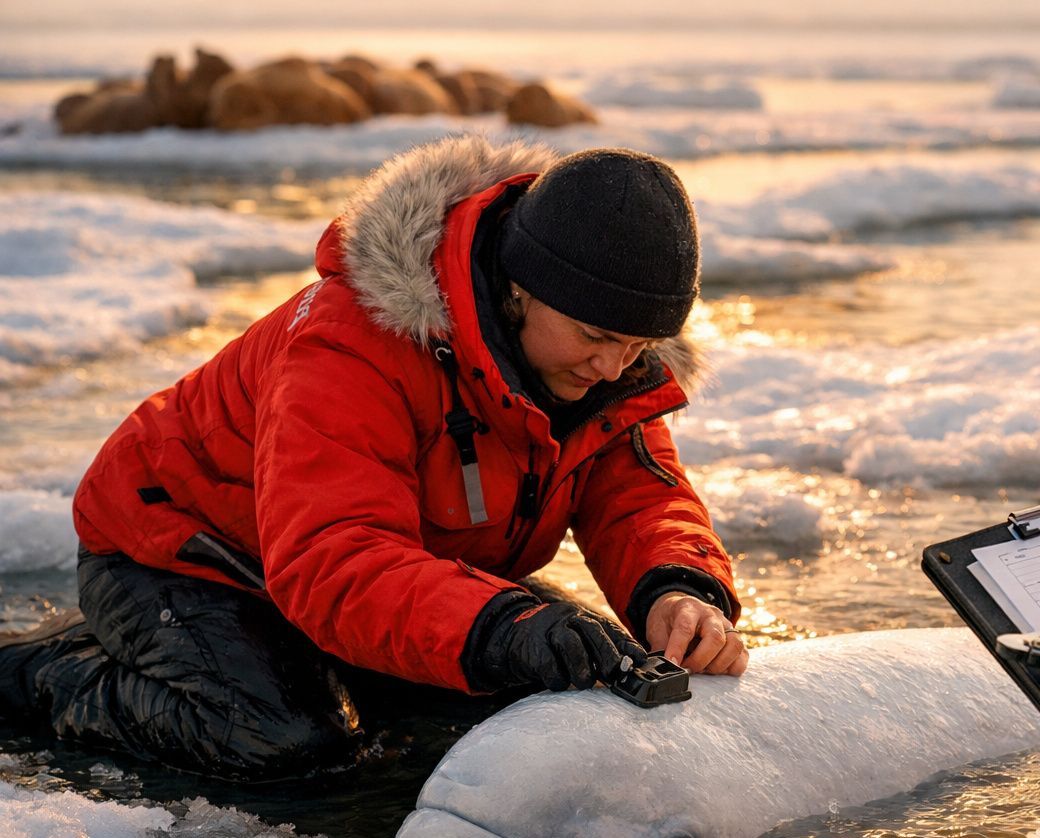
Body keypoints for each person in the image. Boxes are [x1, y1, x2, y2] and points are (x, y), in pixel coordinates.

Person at [0, 138, 748, 781]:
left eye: (637, 347)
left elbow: (640, 501)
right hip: (181, 551)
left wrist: (678, 595)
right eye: (593, 336)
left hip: (389, 560)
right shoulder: (351, 341)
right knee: (284, 741)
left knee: (578, 690)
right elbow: (332, 556)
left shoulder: (603, 367)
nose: (616, 369)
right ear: (520, 289)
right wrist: (499, 624)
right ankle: (39, 673)